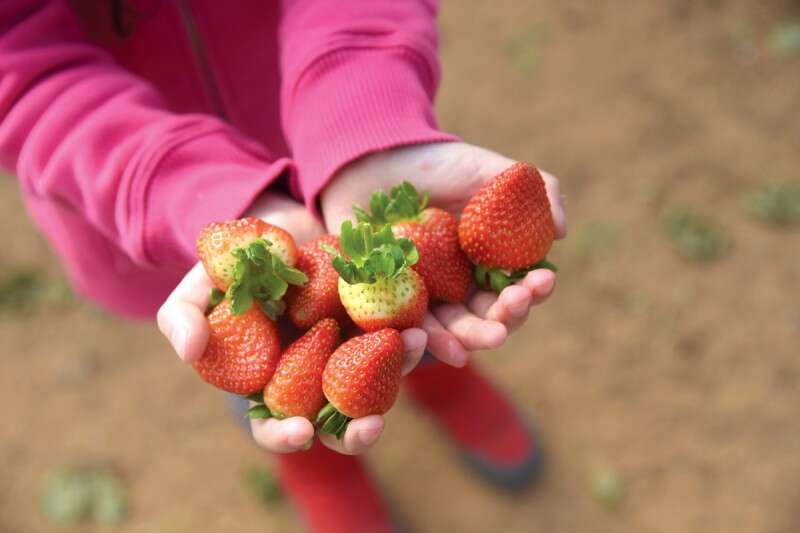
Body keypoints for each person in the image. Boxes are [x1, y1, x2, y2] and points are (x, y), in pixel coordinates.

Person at [0, 2, 567, 532]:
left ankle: (447, 387)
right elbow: (20, 72)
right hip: (158, 203)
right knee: (248, 348)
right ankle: (316, 464)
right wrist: (191, 188)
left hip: (326, 122)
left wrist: (364, 130)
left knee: (413, 328)